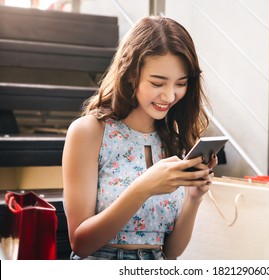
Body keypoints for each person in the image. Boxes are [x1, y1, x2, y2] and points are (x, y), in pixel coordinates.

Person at [62, 16, 217, 260]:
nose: (168, 95)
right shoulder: (89, 132)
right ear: (131, 74)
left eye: (181, 83)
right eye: (157, 83)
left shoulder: (173, 141)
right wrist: (143, 188)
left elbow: (171, 252)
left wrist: (194, 199)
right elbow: (80, 243)